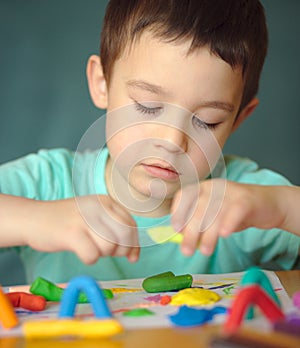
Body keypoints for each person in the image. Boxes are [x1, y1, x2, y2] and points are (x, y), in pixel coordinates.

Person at [0, 0, 299, 284]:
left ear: (238, 120)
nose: (172, 141)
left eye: (206, 121)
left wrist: (281, 208)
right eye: (147, 106)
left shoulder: (246, 203)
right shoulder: (49, 184)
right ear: (102, 83)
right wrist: (33, 219)